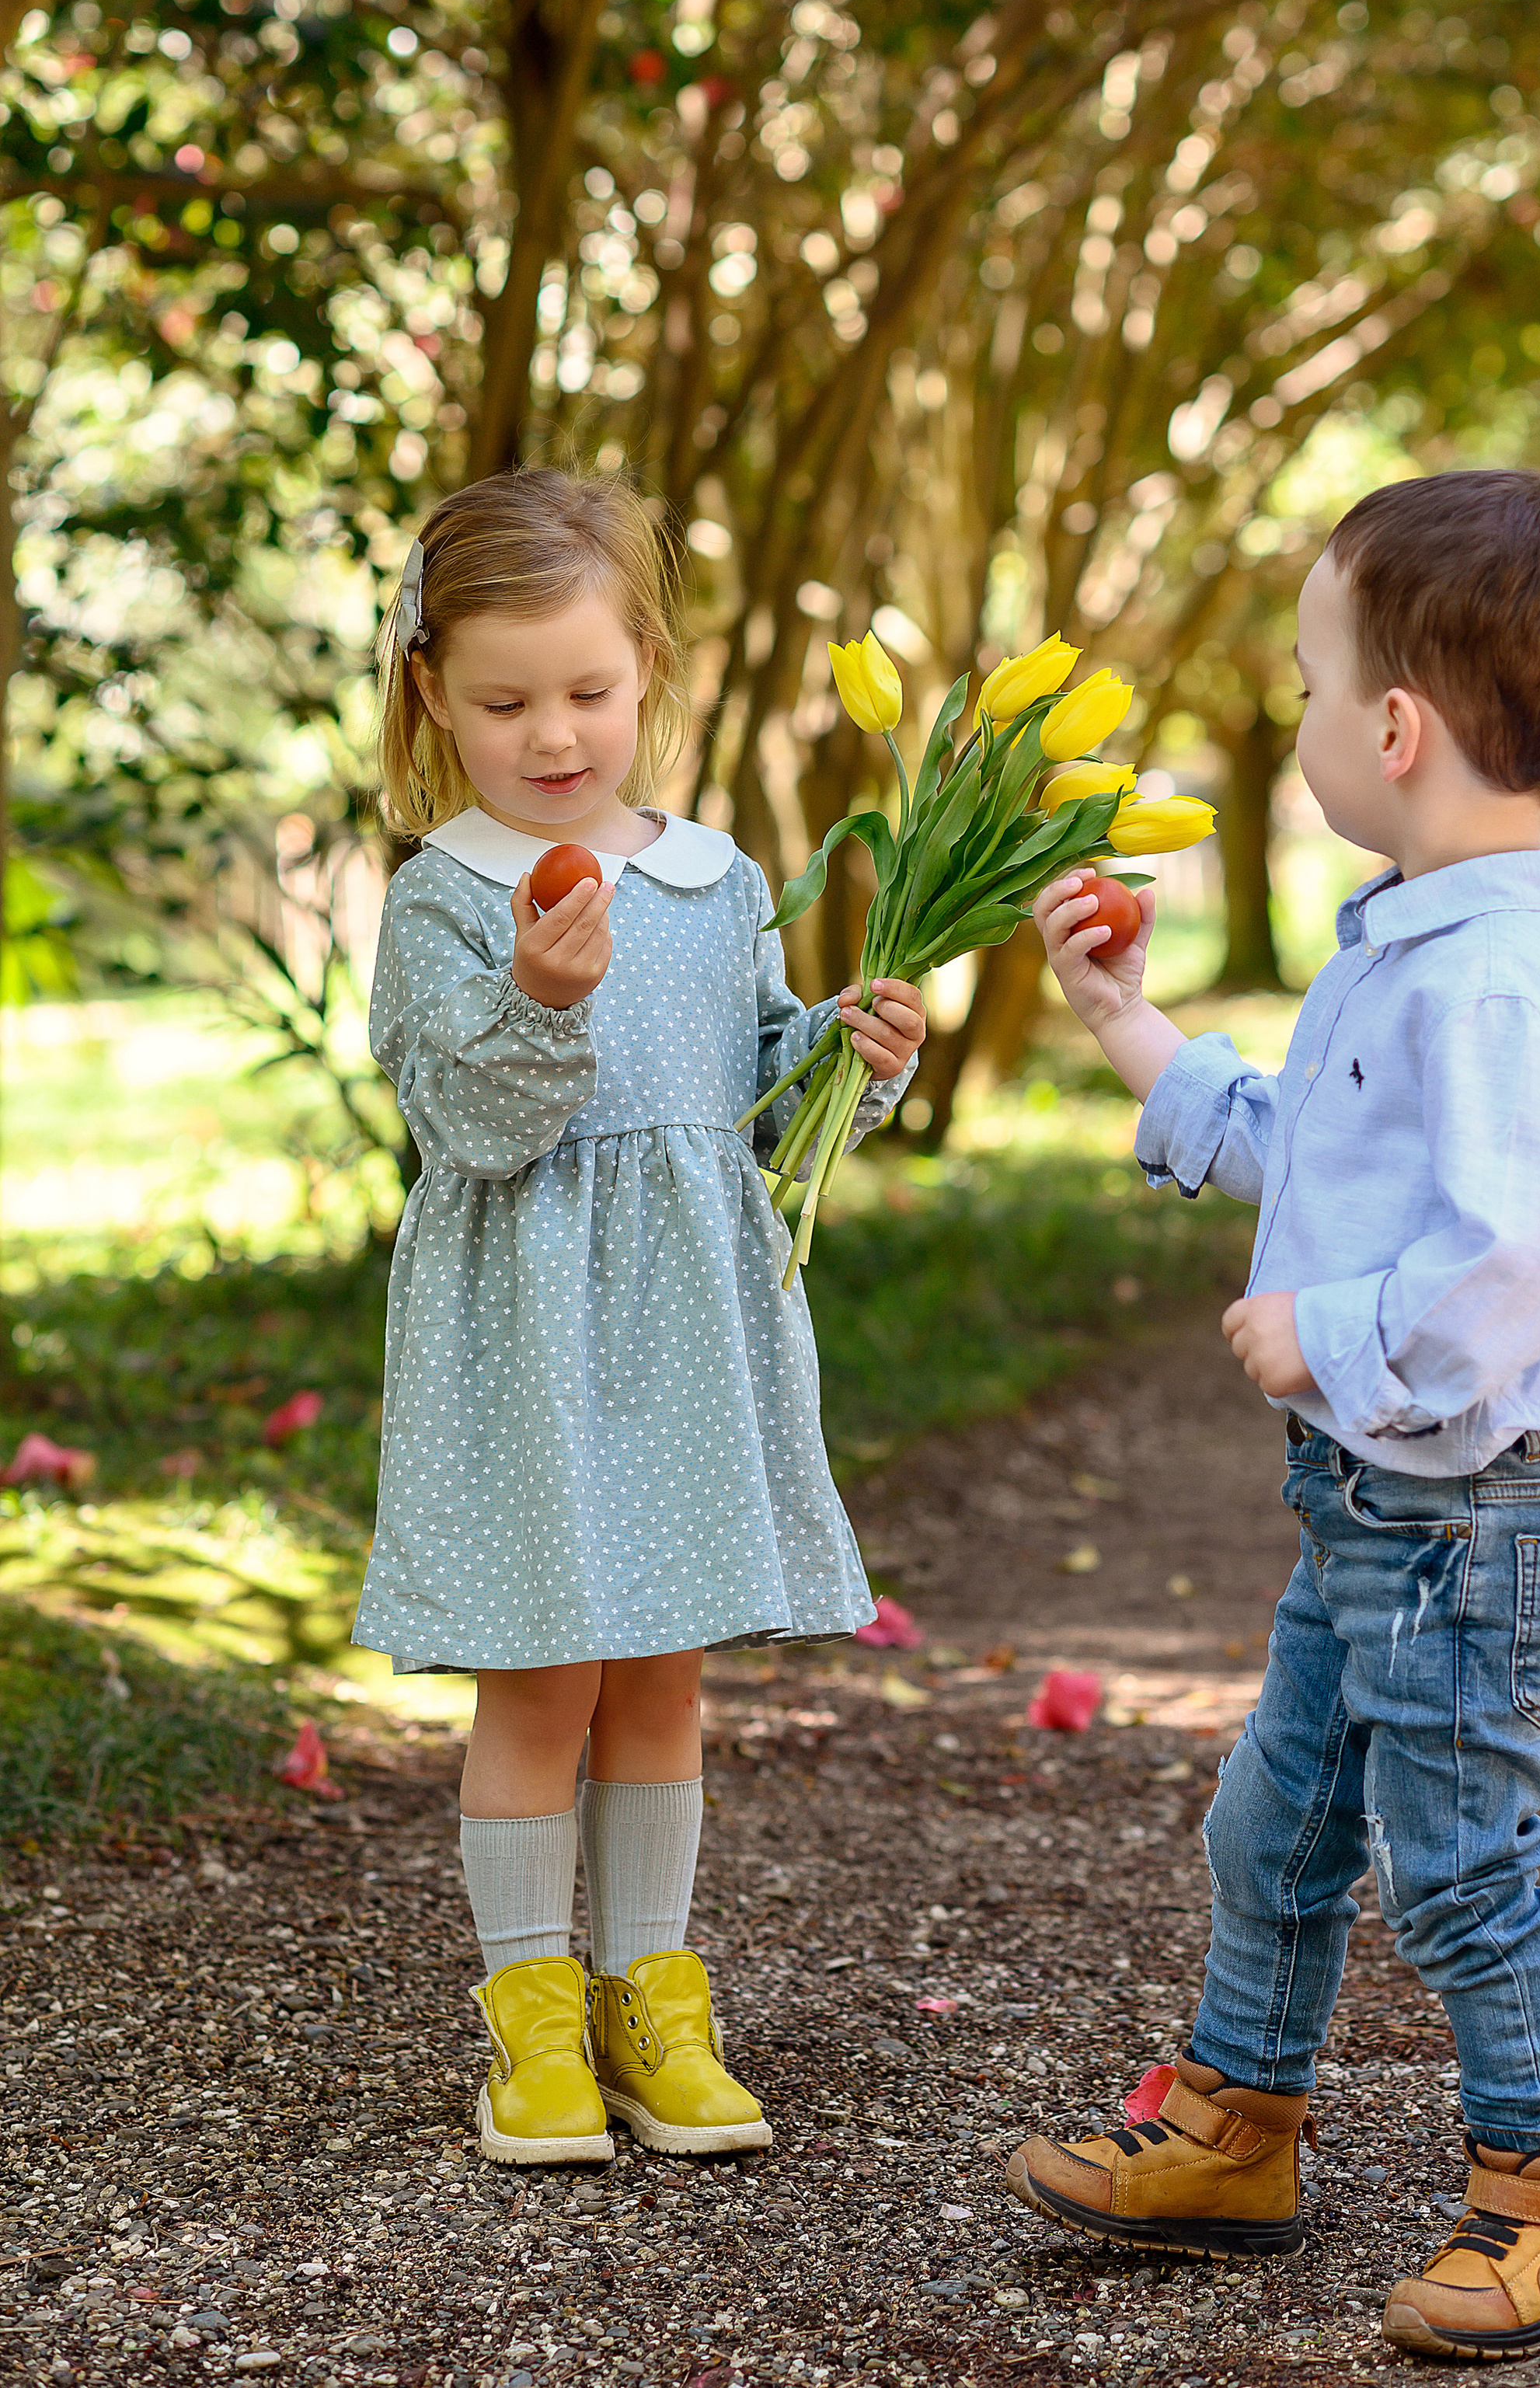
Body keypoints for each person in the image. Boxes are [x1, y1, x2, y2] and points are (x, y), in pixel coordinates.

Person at [1007, 468, 1540, 2362]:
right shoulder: (1410, 940)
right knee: (1276, 1824)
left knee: (1456, 1866)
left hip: (1473, 1510)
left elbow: (1527, 1240)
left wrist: (1336, 1333)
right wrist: (1134, 1027)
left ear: (1390, 727)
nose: (1295, 722)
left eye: (1304, 685)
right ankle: (1237, 2121)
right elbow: (1313, 1153)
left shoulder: (1497, 989)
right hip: (1384, 1508)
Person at [355, 468, 925, 2167]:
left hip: (684, 1324)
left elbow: (749, 1092)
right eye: (505, 700)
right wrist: (536, 998)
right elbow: (469, 1121)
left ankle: (651, 1997)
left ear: (647, 677)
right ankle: (530, 2020)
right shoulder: (443, 898)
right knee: (543, 1681)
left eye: (588, 693)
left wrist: (842, 1052)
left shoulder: (712, 877)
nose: (552, 737)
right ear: (431, 695)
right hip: (526, 1335)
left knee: (662, 1673)